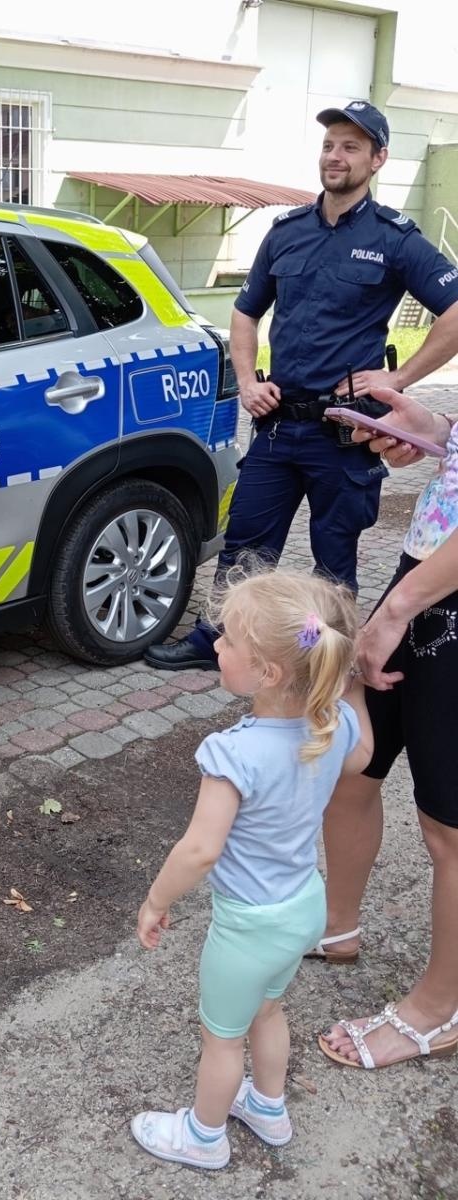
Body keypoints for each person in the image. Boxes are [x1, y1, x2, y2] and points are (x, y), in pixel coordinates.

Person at [145, 99, 458, 674]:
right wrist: (246, 381)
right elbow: (245, 314)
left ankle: (321, 659)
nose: (335, 156)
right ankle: (216, 641)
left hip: (345, 432)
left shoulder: (395, 239)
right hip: (278, 425)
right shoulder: (285, 233)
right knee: (245, 546)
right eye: (329, 145)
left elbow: (455, 310)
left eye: (351, 146)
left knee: (332, 559)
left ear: (378, 158)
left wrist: (401, 377)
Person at [131, 569, 372, 1170]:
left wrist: (156, 901)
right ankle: (267, 1107)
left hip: (248, 927)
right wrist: (348, 690)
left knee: (221, 1035)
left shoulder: (232, 754)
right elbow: (363, 755)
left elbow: (198, 850)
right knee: (268, 1008)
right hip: (303, 908)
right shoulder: (334, 724)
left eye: (227, 640)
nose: (215, 645)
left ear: (265, 673)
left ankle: (203, 1137)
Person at [315, 385, 458, 1069]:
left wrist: (397, 606)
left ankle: (440, 1010)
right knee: (353, 759)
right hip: (429, 566)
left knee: (449, 830)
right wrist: (439, 431)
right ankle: (339, 927)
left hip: (426, 592)